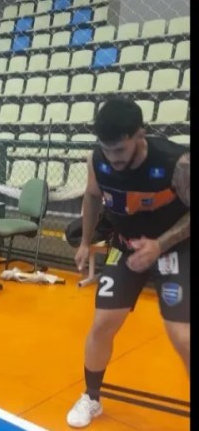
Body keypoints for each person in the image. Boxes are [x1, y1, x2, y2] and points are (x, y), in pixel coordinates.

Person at [67, 98, 190, 428]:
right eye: (106, 150)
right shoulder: (98, 158)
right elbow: (93, 195)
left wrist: (160, 244)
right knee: (102, 323)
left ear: (140, 135)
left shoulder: (176, 163)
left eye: (119, 150)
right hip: (124, 246)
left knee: (183, 336)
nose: (113, 158)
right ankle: (91, 397)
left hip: (174, 248)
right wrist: (84, 242)